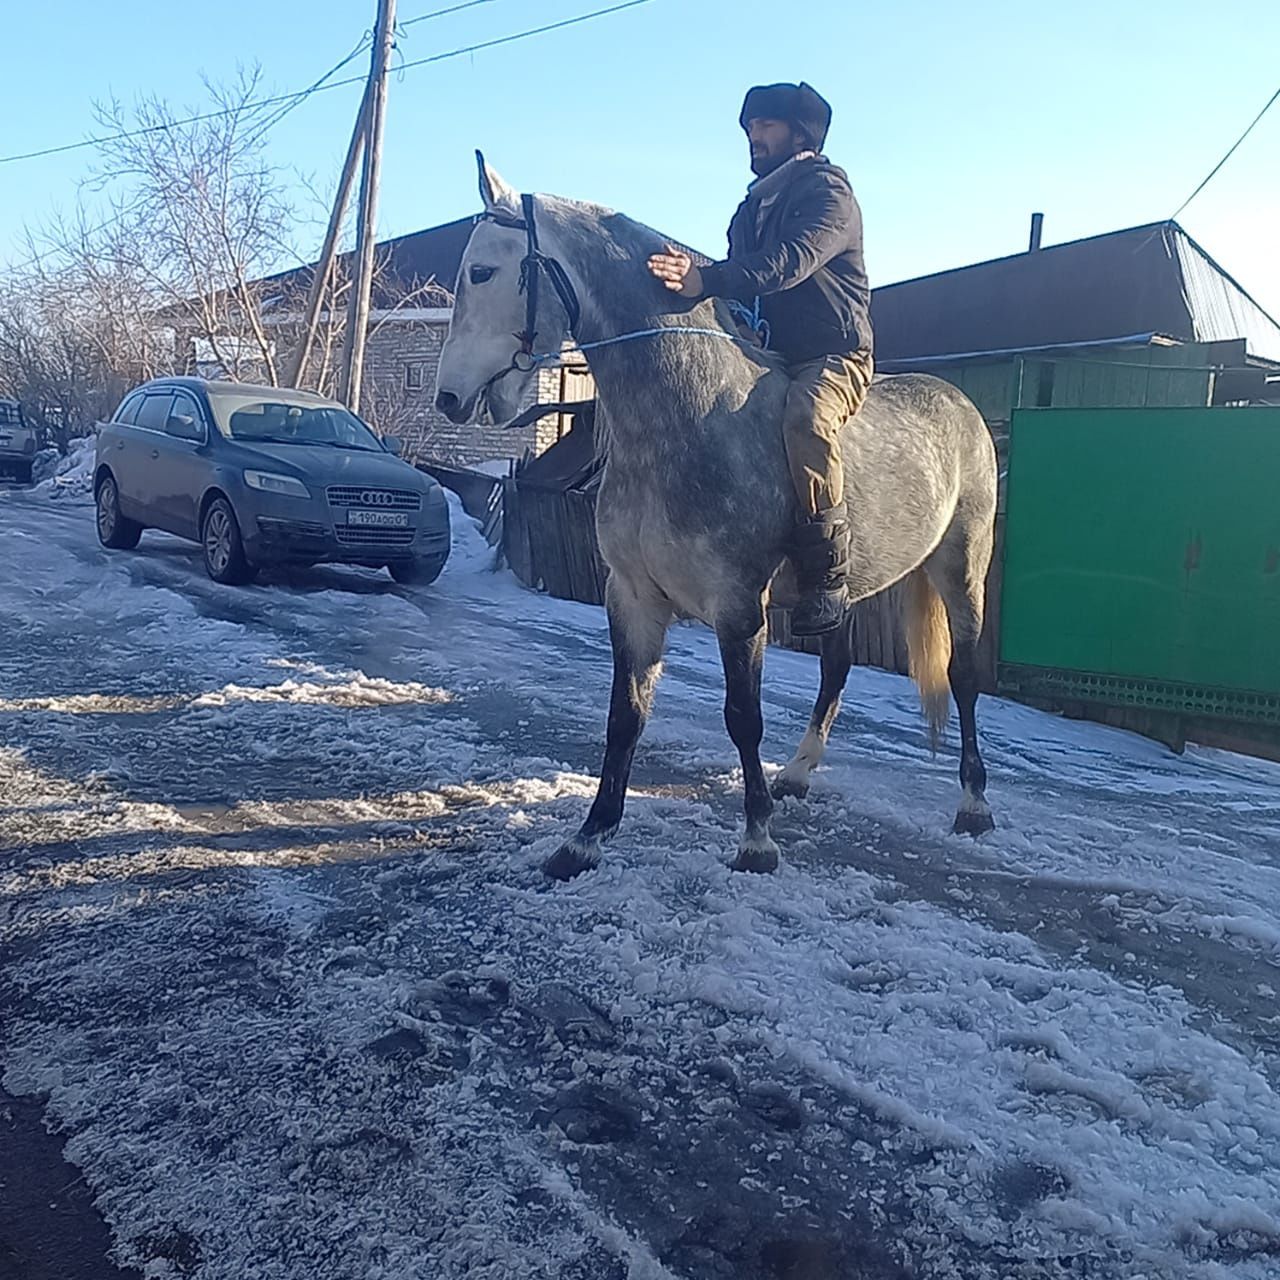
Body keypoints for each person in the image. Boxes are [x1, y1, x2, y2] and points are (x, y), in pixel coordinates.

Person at [648, 82, 874, 636]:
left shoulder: (830, 196)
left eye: (766, 126)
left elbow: (788, 263)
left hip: (833, 354)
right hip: (767, 350)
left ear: (800, 134)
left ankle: (827, 576)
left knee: (806, 418)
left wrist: (707, 278)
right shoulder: (748, 211)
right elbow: (737, 284)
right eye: (750, 127)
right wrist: (692, 286)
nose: (754, 136)